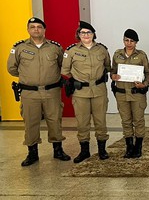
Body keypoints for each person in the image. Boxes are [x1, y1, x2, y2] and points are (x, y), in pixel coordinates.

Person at [7, 17, 71, 166]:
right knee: (31, 122)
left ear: (44, 30)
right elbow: (11, 68)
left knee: (55, 121)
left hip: (52, 91)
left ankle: (58, 150)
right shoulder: (19, 48)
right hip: (30, 93)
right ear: (28, 29)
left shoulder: (55, 47)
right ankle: (32, 153)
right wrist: (29, 77)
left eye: (39, 27)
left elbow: (62, 65)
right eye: (33, 27)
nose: (36, 29)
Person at [61, 21, 111, 163]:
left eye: (89, 32)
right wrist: (76, 80)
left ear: (93, 34)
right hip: (80, 92)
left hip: (99, 90)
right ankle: (84, 151)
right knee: (82, 122)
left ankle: (102, 150)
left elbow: (107, 66)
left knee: (100, 121)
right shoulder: (71, 51)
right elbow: (64, 70)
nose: (86, 35)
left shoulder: (102, 50)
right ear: (78, 34)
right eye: (83, 32)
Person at [110, 29, 149, 158]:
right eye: (126, 40)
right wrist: (113, 76)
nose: (129, 43)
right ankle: (129, 147)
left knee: (138, 121)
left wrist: (144, 84)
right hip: (122, 94)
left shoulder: (141, 55)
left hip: (137, 94)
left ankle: (138, 147)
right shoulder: (117, 54)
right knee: (126, 121)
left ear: (136, 42)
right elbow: (112, 70)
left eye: (132, 41)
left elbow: (148, 74)